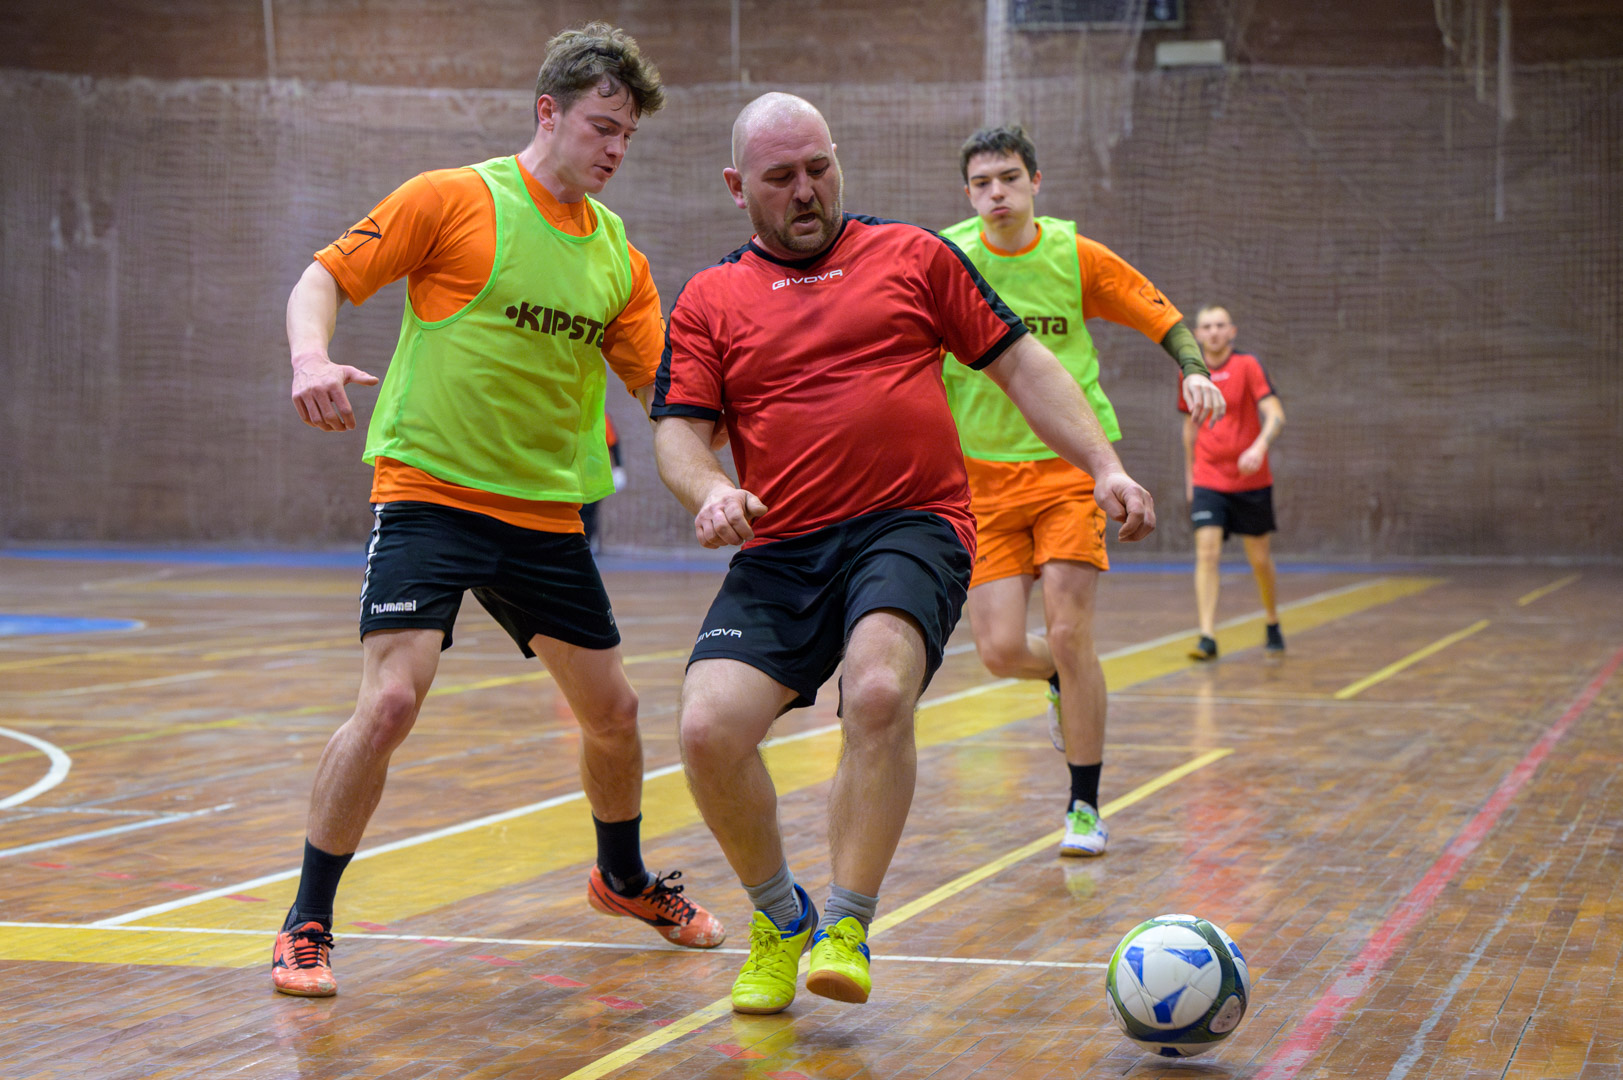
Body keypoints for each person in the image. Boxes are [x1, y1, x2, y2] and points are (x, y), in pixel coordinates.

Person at [650, 93, 1156, 1015]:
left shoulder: (914, 256)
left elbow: (1021, 364)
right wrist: (712, 491)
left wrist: (1104, 466)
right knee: (706, 730)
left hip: (909, 524)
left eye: (819, 168)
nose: (806, 190)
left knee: (878, 690)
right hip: (781, 546)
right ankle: (780, 918)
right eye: (780, 177)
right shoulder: (710, 297)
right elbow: (678, 432)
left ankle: (846, 925)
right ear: (736, 187)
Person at [273, 23, 723, 999]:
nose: (614, 148)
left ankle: (622, 878)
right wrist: (310, 358)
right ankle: (306, 919)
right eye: (601, 127)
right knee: (391, 702)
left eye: (627, 136)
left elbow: (669, 396)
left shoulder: (619, 259)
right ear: (547, 113)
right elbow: (324, 277)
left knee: (614, 716)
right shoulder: (452, 199)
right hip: (430, 494)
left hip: (545, 517)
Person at [938, 125, 1224, 858]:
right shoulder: (947, 260)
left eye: (1008, 178)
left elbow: (1157, 311)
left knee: (1070, 634)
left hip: (1072, 472)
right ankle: (1061, 681)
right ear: (967, 194)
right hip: (983, 478)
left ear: (1035, 181)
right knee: (1001, 650)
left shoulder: (1072, 255)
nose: (996, 193)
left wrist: (1193, 369)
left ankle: (1084, 807)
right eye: (981, 184)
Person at [1182, 304, 1286, 661]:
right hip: (1208, 477)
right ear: (1197, 334)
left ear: (1231, 331)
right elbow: (1188, 429)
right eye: (1207, 326)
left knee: (1259, 559)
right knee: (1207, 552)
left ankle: (1272, 620)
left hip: (1250, 480)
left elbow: (1275, 413)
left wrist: (1259, 447)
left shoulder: (1248, 365)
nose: (1213, 332)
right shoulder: (1190, 373)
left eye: (1220, 325)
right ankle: (1207, 636)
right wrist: (1190, 477)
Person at [580, 412, 627, 551]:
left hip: (594, 475)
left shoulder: (600, 416)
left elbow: (613, 442)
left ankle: (586, 544)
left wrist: (619, 467)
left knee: (588, 512)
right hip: (577, 473)